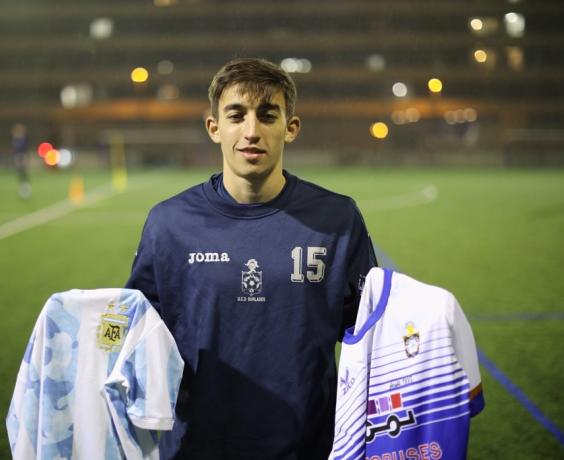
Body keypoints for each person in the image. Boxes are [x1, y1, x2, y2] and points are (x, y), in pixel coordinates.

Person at [126, 57, 378, 459]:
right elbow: (136, 342)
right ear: (214, 128)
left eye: (267, 115)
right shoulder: (168, 224)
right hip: (196, 448)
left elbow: (369, 339)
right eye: (236, 115)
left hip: (308, 448)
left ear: (290, 127)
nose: (251, 131)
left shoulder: (338, 219)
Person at [11, 123, 31, 199]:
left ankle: (26, 189)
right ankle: (22, 188)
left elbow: (21, 148)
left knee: (23, 173)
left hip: (22, 157)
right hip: (18, 157)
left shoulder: (22, 139)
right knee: (20, 173)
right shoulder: (15, 139)